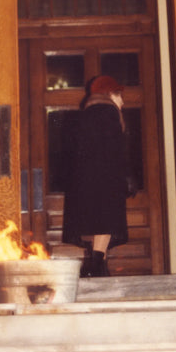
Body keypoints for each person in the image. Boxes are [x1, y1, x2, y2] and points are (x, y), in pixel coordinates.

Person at [62, 75, 138, 278]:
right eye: (120, 96)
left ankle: (100, 267)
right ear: (111, 94)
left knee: (97, 222)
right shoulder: (109, 112)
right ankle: (95, 265)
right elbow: (117, 149)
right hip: (107, 177)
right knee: (107, 221)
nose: (122, 101)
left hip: (85, 180)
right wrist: (127, 176)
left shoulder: (86, 114)